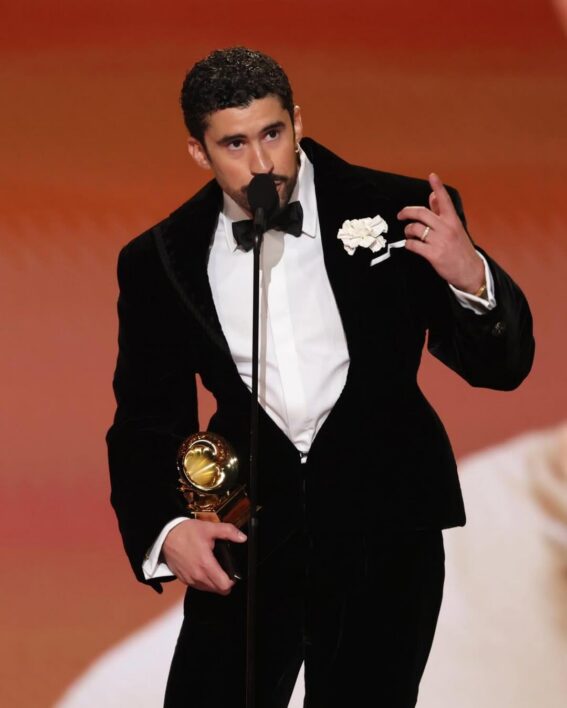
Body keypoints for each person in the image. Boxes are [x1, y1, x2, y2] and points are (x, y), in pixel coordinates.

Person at [107, 47, 534, 708]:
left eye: (273, 133)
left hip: (385, 534)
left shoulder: (398, 210)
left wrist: (470, 278)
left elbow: (500, 369)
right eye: (235, 143)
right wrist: (167, 528)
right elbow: (145, 418)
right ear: (198, 151)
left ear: (298, 122)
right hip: (245, 541)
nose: (261, 163)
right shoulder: (159, 260)